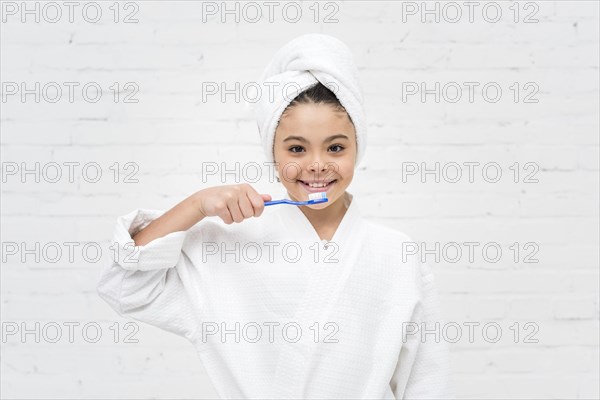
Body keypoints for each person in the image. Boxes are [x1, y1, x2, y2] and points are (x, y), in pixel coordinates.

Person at [97, 34, 452, 399]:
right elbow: (124, 285)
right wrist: (196, 205)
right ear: (272, 152)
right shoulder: (229, 245)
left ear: (358, 147)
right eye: (296, 148)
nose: (316, 165)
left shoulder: (397, 255)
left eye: (335, 147)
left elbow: (427, 383)